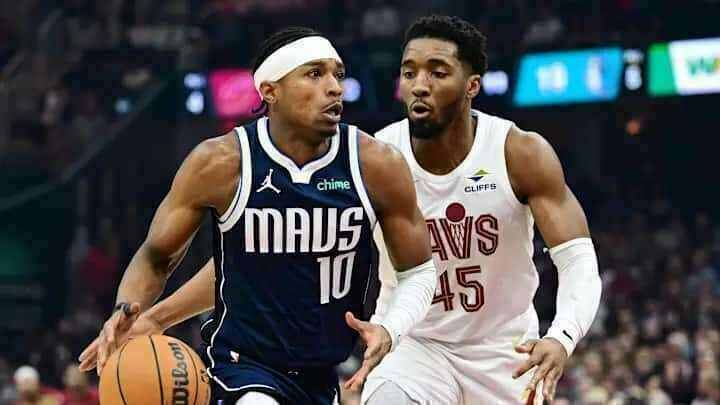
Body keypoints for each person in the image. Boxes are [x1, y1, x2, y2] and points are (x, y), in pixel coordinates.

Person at [82, 16, 602, 404]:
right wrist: (155, 316)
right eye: (409, 72)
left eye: (437, 72)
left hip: (504, 352)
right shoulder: (380, 157)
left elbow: (578, 259)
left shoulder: (516, 153)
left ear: (471, 85)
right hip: (412, 347)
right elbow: (251, 261)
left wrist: (561, 336)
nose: (419, 84)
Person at [78, 27, 437, 405]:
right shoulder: (221, 162)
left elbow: (418, 271)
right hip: (241, 367)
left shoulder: (376, 164)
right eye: (315, 74)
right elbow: (157, 256)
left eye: (338, 75)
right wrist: (127, 309)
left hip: (321, 375)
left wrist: (390, 328)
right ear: (270, 91)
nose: (334, 88)